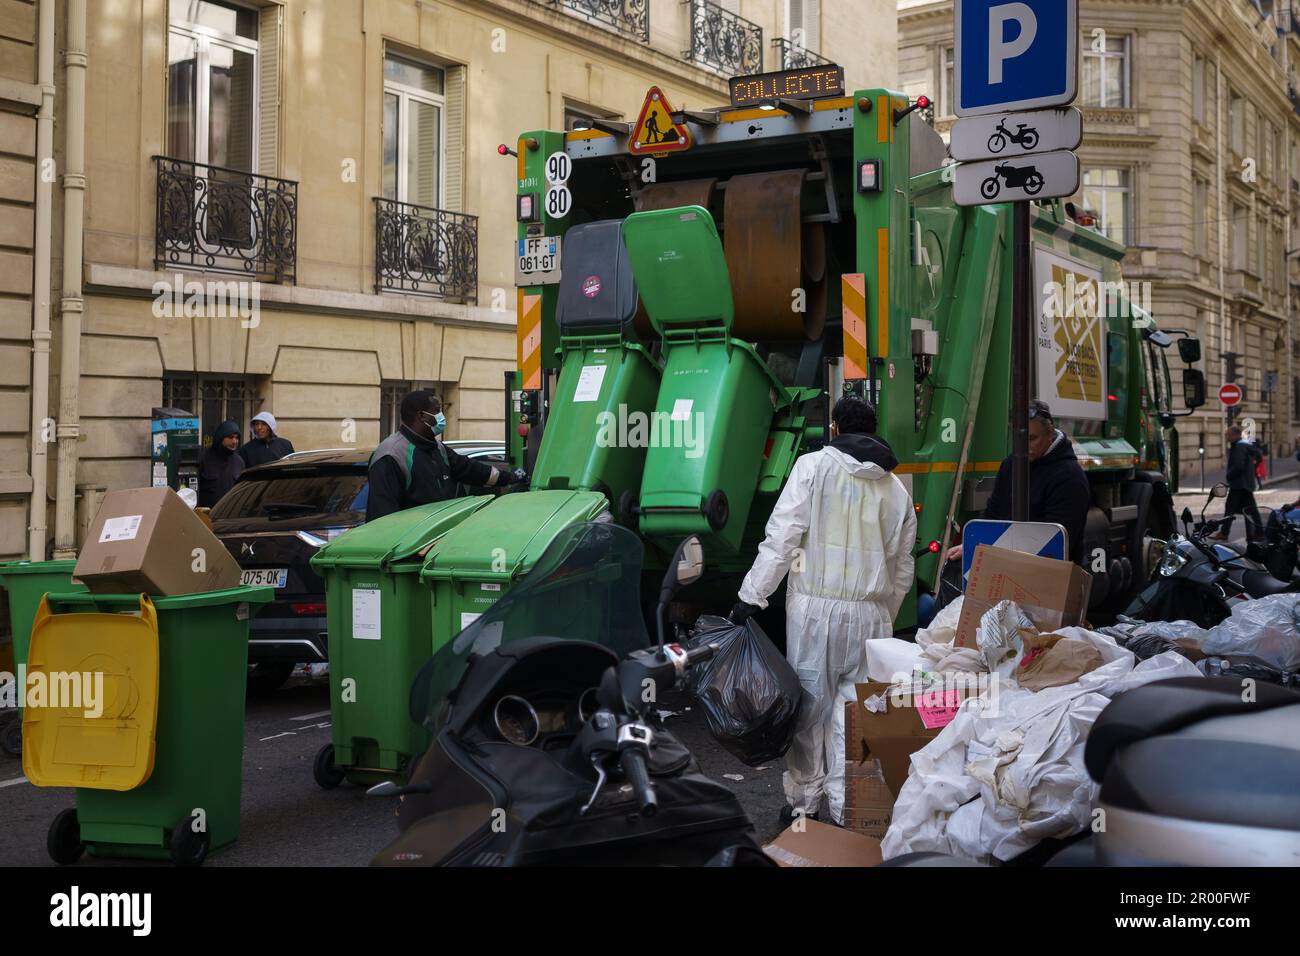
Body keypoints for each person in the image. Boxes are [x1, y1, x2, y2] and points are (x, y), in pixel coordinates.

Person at [729, 397, 916, 828]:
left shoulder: (812, 468)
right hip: (871, 616)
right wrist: (884, 613)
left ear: (835, 428)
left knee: (810, 709)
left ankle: (803, 804)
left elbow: (782, 539)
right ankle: (848, 805)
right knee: (856, 714)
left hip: (814, 610)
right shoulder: (896, 488)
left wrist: (751, 597)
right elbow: (901, 565)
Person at [945, 400, 1091, 567]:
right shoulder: (1009, 465)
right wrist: (972, 546)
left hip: (1052, 574)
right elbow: (992, 516)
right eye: (1018, 438)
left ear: (1050, 434)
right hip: (1010, 566)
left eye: (1032, 438)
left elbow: (1057, 540)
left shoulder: (1070, 477)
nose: (1024, 446)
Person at [366, 389, 525, 522]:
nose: (442, 416)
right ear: (422, 416)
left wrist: (510, 477)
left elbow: (470, 470)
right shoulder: (391, 455)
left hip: (440, 540)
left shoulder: (437, 448)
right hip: (412, 550)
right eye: (437, 410)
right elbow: (383, 516)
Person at [1224, 425, 1263, 536]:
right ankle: (1259, 532)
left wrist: (1229, 475)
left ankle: (1224, 532)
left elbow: (1238, 466)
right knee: (1251, 509)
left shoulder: (1239, 447)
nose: (1226, 437)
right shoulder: (1245, 446)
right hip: (1245, 483)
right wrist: (1251, 470)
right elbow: (1258, 457)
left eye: (1228, 434)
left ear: (1235, 435)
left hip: (1239, 483)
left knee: (1230, 508)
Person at [198, 420, 244, 508]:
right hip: (207, 516)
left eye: (237, 438)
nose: (234, 441)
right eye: (231, 437)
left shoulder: (239, 462)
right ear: (221, 437)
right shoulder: (204, 458)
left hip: (230, 515)